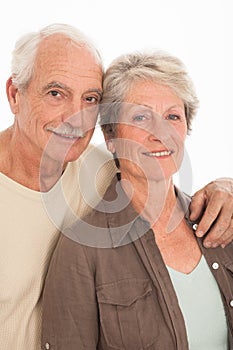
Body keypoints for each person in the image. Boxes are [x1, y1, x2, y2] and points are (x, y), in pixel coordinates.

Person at [0, 23, 232, 350]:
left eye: (90, 98)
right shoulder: (81, 244)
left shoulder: (93, 166)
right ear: (14, 94)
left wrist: (228, 185)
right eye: (56, 93)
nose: (74, 117)